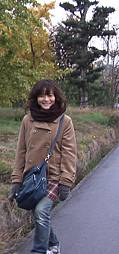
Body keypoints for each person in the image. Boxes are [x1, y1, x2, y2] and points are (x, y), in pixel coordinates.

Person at [8, 79, 77, 254]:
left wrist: (66, 181)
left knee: (40, 211)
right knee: (39, 214)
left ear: (56, 97)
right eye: (41, 95)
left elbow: (70, 153)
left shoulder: (64, 121)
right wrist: (16, 180)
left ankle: (39, 250)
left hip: (54, 177)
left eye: (50, 95)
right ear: (36, 98)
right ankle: (53, 245)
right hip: (32, 177)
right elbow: (21, 151)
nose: (46, 99)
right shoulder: (28, 120)